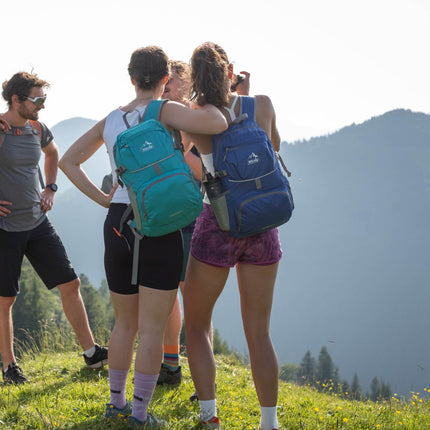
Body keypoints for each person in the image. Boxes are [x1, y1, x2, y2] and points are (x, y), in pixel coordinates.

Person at [59, 46, 227, 428]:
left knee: (124, 324)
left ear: (132, 78)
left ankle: (115, 404)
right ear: (165, 79)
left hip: (119, 221)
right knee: (152, 328)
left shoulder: (110, 120)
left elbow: (68, 161)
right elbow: (216, 125)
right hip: (160, 223)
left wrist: (105, 199)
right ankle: (139, 414)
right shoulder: (166, 111)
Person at [183, 42, 283, 430]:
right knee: (259, 333)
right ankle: (269, 422)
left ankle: (209, 416)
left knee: (196, 325)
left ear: (195, 78)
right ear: (230, 72)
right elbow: (273, 151)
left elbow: (187, 156)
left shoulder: (194, 115)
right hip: (261, 223)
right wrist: (244, 95)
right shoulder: (263, 105)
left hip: (218, 224)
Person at [0, 72, 108, 385]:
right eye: (37, 99)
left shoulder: (37, 128)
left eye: (44, 99)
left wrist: (50, 187)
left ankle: (91, 353)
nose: (42, 105)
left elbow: (53, 153)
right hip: (5, 229)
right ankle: (9, 367)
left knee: (70, 283)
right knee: (5, 299)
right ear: (17, 100)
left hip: (37, 222)